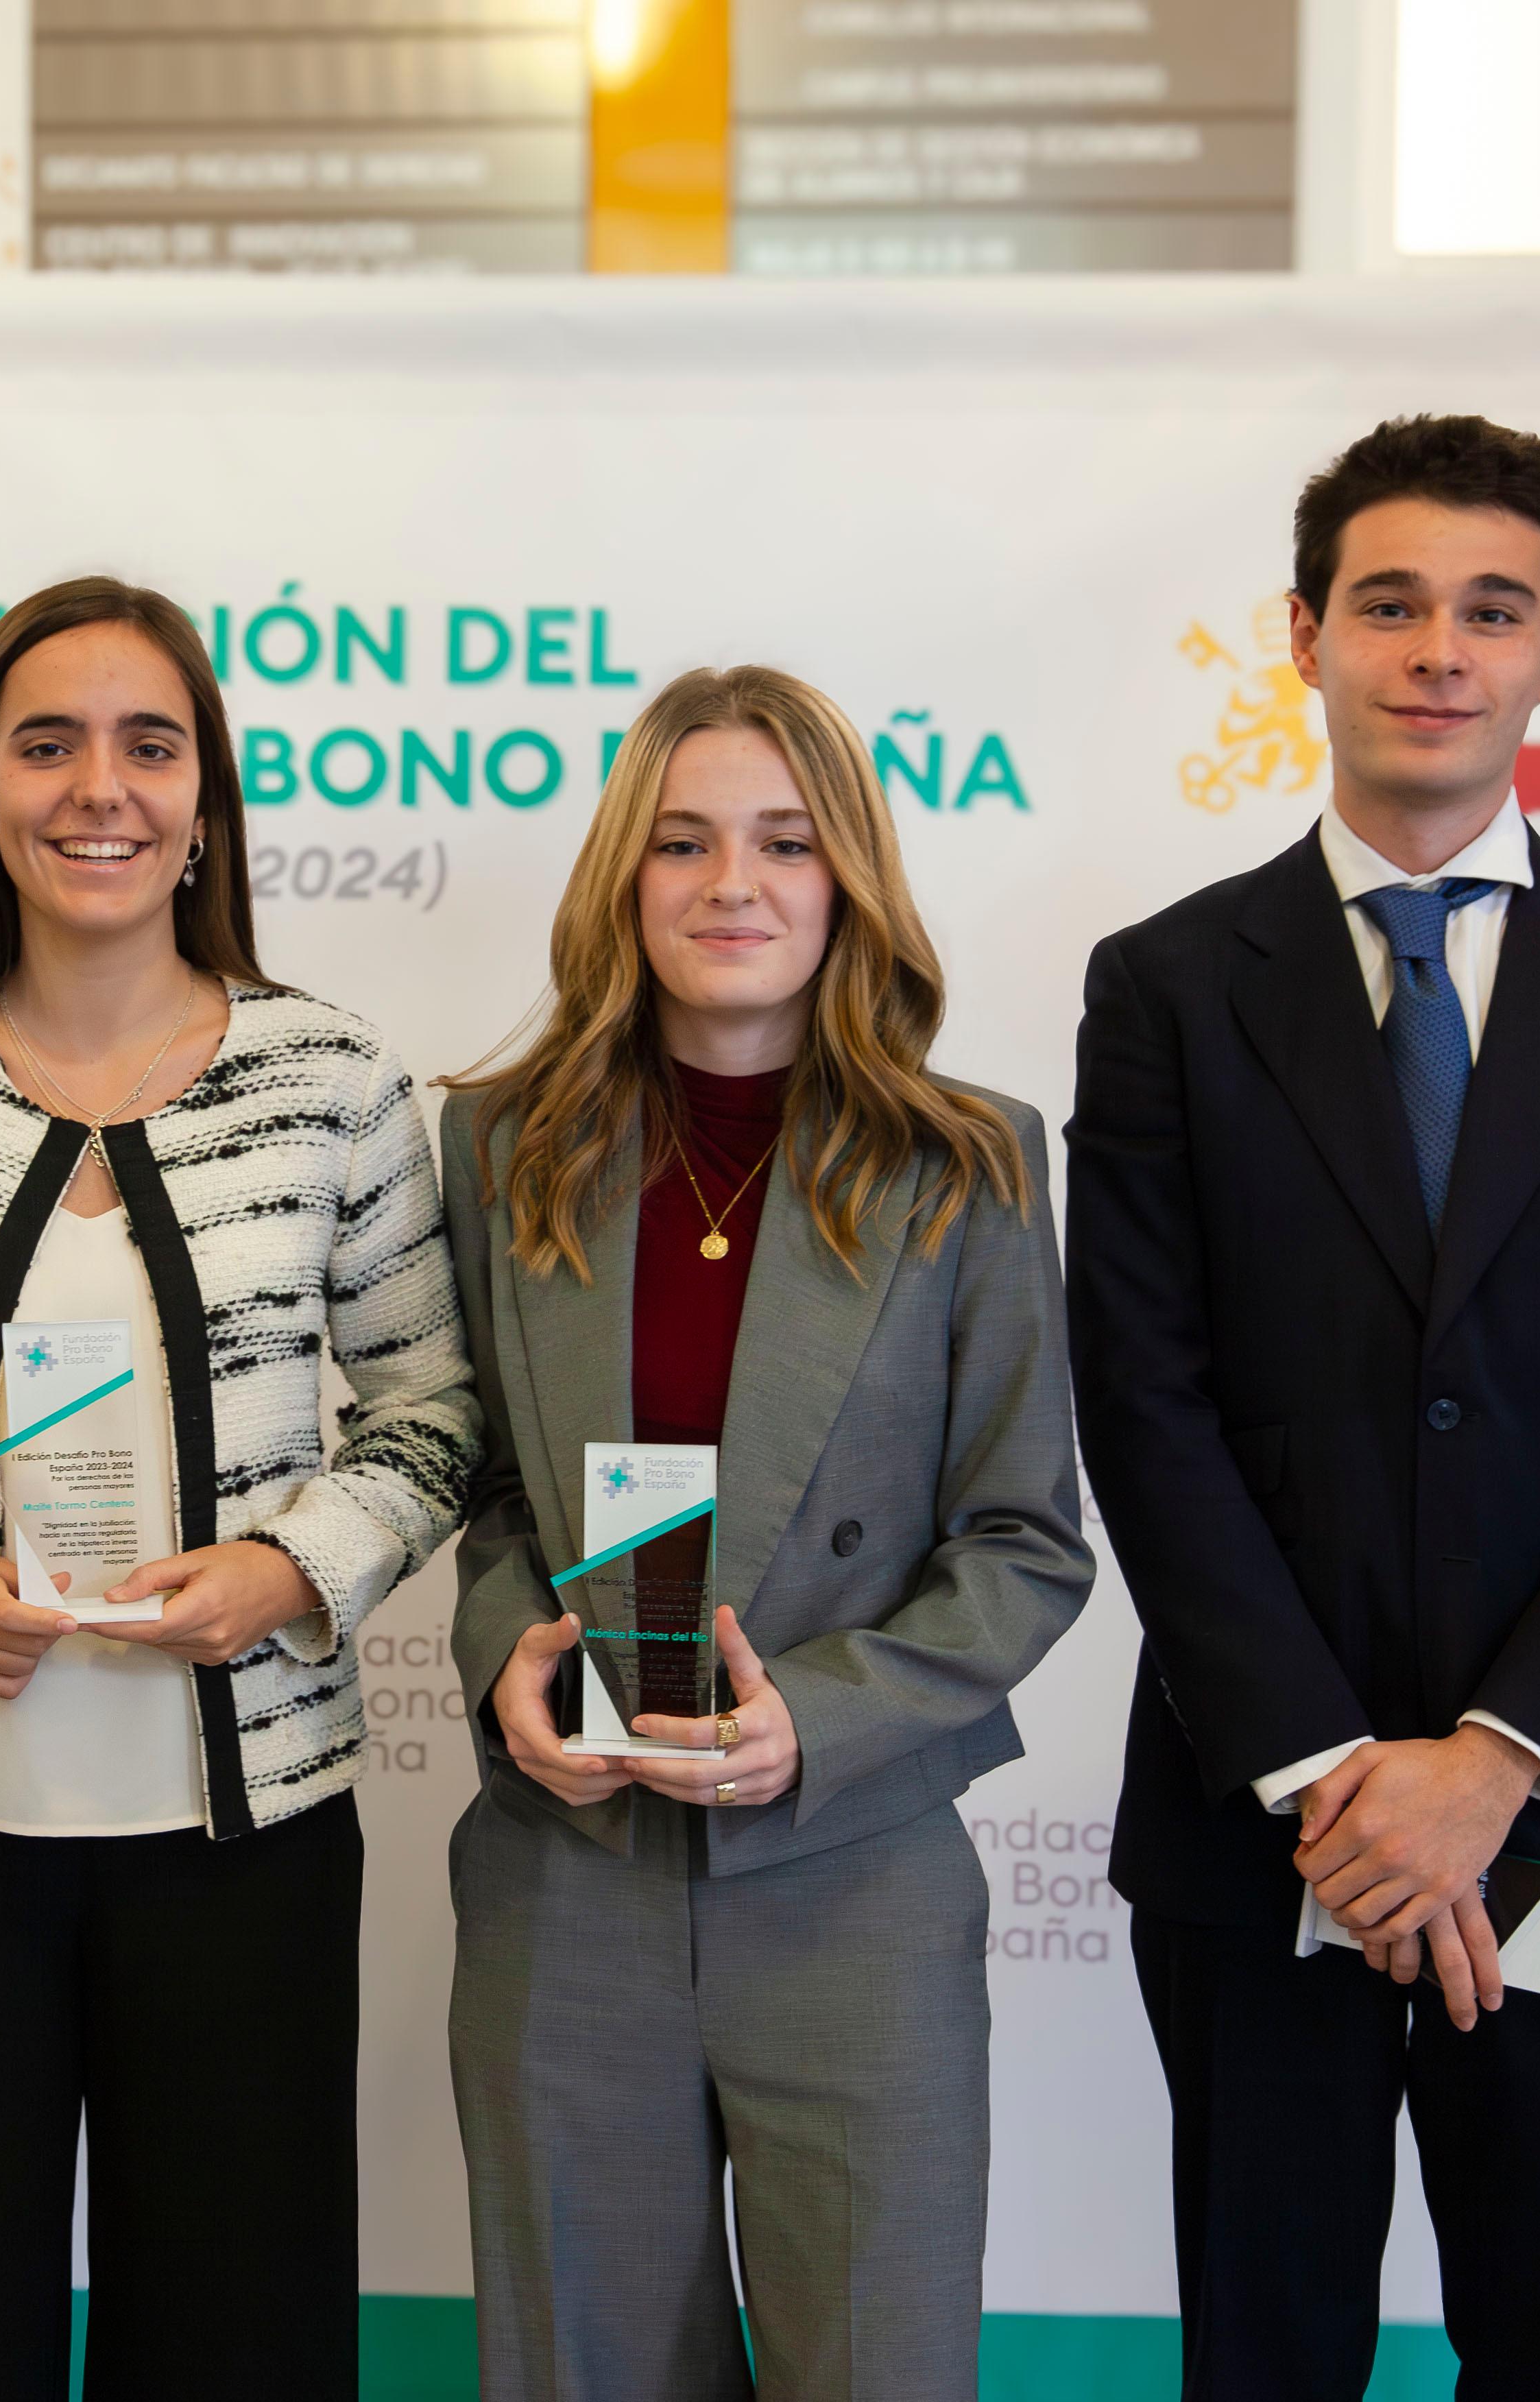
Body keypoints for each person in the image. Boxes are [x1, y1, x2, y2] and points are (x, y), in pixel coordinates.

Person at [1067, 415, 1540, 2399]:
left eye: (1490, 610)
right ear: (1300, 636)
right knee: (1265, 2351)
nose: (1435, 650)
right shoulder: (1163, 988)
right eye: (1386, 604)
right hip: (1262, 1838)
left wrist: (1488, 1764)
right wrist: (1331, 1781)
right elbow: (1143, 1403)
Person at [0, 575, 481, 2400]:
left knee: (236, 2345)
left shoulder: (331, 1084)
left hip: (245, 1847)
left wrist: (292, 1569)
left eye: (149, 745)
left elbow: (434, 1412)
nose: (96, 789)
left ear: (205, 799)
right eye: (45, 744)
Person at [437, 664, 1094, 2401]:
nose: (732, 884)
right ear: (621, 884)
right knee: (579, 2370)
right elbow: (489, 1487)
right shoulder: (500, 1147)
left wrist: (823, 1718)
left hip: (851, 1877)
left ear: (847, 881)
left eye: (784, 843)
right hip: (566, 1878)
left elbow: (1025, 1541)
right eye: (682, 843)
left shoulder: (978, 1164)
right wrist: (509, 1654)